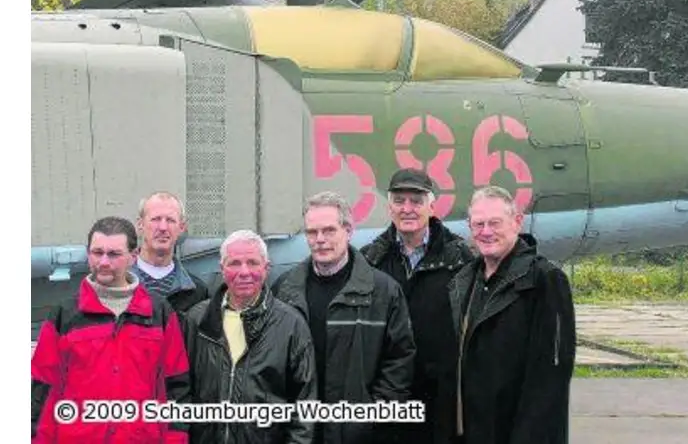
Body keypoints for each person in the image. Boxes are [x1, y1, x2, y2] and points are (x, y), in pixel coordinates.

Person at [31, 216, 191, 443]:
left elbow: (176, 387)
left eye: (114, 254)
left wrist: (175, 439)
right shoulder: (64, 315)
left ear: (133, 257)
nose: (104, 262)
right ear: (88, 254)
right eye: (98, 253)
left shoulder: (159, 314)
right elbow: (43, 390)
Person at [272, 192, 416, 444]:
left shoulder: (383, 291)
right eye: (312, 232)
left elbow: (400, 361)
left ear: (348, 231)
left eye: (329, 230)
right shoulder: (285, 290)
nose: (320, 240)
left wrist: (370, 418)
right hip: (299, 433)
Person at [448, 187, 575, 444]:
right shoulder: (464, 282)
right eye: (479, 224)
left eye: (495, 223)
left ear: (517, 221)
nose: (486, 232)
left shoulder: (545, 280)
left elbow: (550, 377)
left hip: (518, 432)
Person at [360, 169, 473, 444]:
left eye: (416, 201)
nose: (407, 209)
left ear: (432, 207)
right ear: (389, 207)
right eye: (399, 201)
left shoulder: (461, 260)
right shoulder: (369, 261)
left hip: (442, 402)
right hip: (388, 400)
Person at [185, 230, 316, 444]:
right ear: (222, 269)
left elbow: (305, 405)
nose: (244, 272)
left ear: (266, 268)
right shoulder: (197, 319)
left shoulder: (291, 324)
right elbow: (181, 392)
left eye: (253, 263)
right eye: (235, 263)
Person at [135, 191, 211, 322]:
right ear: (140, 225)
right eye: (156, 219)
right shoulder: (120, 285)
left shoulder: (197, 292)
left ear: (181, 227)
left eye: (170, 220)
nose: (163, 227)